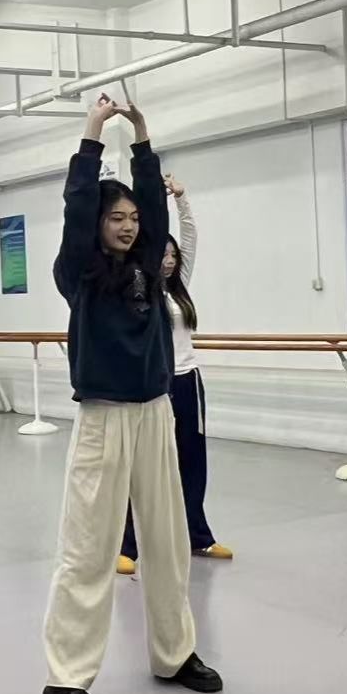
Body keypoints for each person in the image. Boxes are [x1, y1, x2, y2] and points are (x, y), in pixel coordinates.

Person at [41, 94, 222, 694]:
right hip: (104, 416)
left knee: (168, 541)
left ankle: (175, 654)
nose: (127, 225)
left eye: (132, 218)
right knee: (89, 546)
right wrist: (93, 133)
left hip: (154, 413)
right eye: (115, 217)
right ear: (97, 223)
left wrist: (142, 133)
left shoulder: (150, 264)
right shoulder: (80, 274)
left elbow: (154, 202)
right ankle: (67, 675)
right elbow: (76, 206)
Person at [117, 175, 231, 576]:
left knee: (193, 462)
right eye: (161, 254)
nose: (168, 260)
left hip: (188, 382)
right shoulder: (139, 288)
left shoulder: (180, 288)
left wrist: (182, 199)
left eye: (172, 255)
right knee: (142, 465)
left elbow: (191, 237)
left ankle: (197, 535)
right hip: (154, 385)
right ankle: (127, 544)